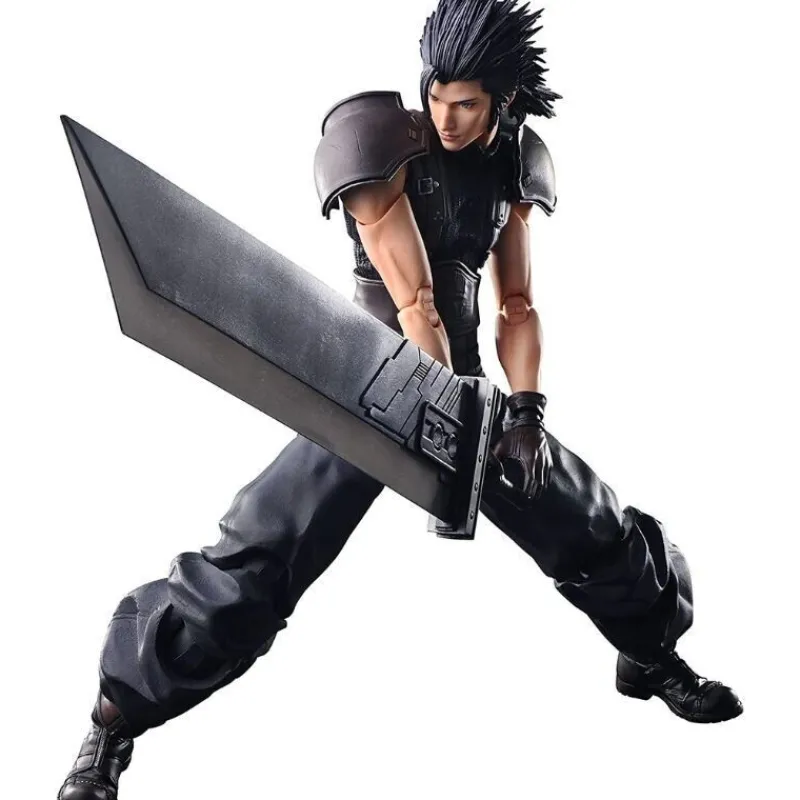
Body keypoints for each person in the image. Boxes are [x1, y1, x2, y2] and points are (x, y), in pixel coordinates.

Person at [58, 1, 742, 797]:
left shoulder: (515, 164)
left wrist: (524, 414)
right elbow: (415, 301)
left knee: (586, 519)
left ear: (501, 102)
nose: (447, 118)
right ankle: (113, 722)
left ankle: (649, 653)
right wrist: (436, 413)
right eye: (437, 97)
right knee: (257, 557)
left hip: (467, 388)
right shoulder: (377, 142)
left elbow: (517, 305)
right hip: (365, 381)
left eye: (467, 104)